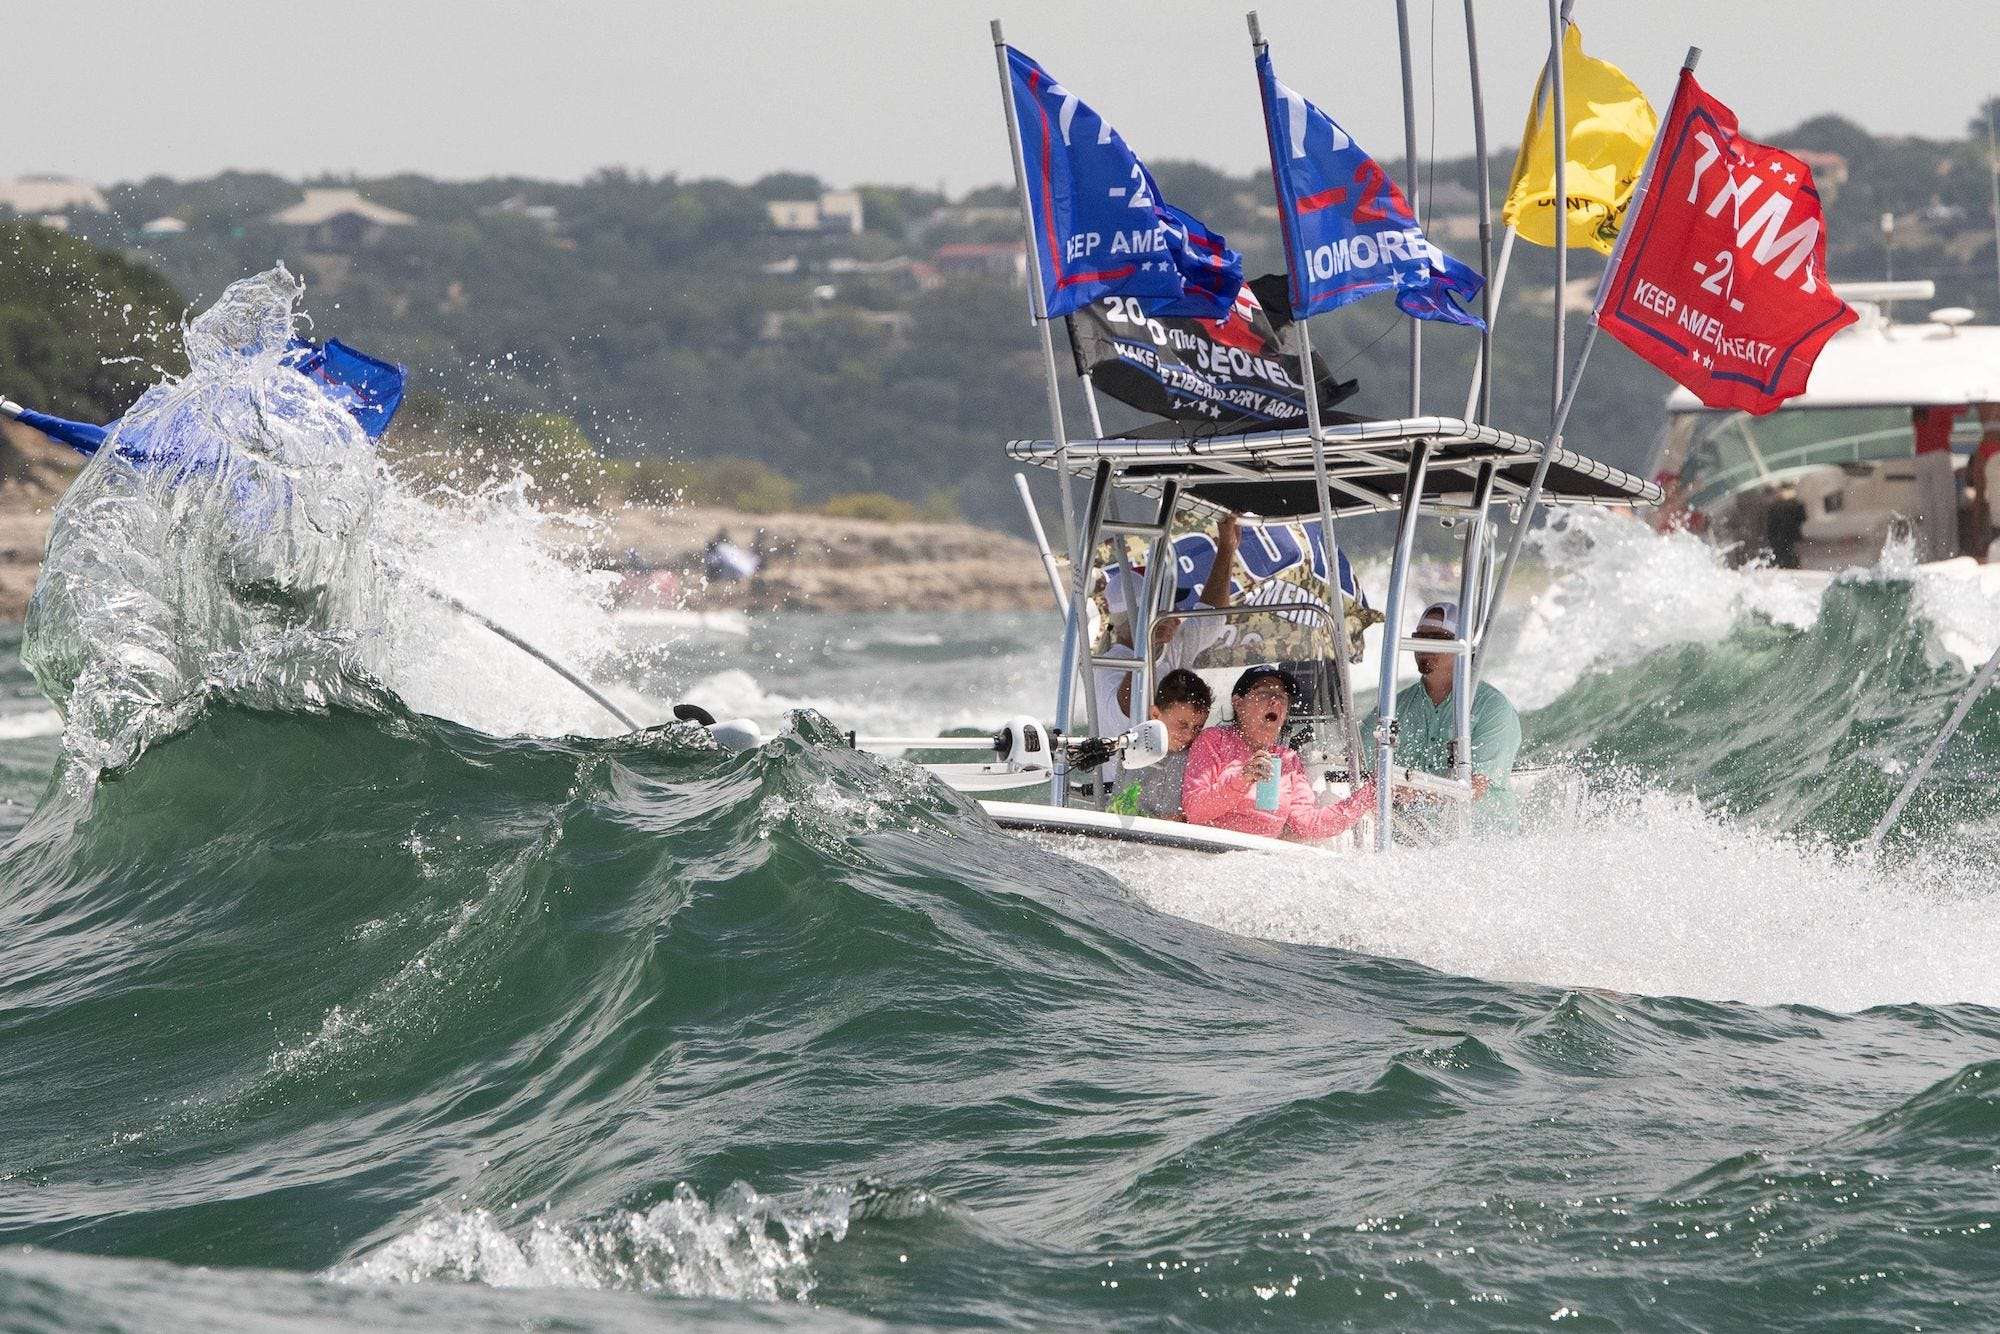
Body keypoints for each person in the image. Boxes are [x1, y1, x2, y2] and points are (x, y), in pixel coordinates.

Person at [1365, 600, 1520, 828]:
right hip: (1411, 840)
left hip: (1484, 843)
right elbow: (1363, 767)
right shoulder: (1393, 707)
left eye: (1437, 639)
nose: (1424, 646)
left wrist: (1412, 794)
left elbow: (1473, 788)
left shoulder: (1493, 708)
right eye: (1420, 637)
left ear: (1460, 647)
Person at [1181, 666, 1376, 842]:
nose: (1275, 700)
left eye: (1282, 696)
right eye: (1264, 693)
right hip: (1212, 852)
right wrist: (1243, 778)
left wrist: (1370, 794)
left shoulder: (1288, 759)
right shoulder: (1213, 740)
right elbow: (1194, 811)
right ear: (1238, 703)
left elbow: (1309, 825)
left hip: (1264, 860)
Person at [1092, 513, 1241, 739]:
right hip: (1127, 773)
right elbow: (1128, 712)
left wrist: (1227, 548)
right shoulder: (1106, 666)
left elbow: (1212, 617)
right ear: (1134, 618)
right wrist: (1149, 647)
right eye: (1166, 606)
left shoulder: (1174, 642)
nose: (1176, 611)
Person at [1134, 668, 1213, 820]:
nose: (1190, 735)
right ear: (1155, 715)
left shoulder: (1194, 757)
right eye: (1182, 725)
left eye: (1198, 728)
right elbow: (1118, 808)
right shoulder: (1133, 747)